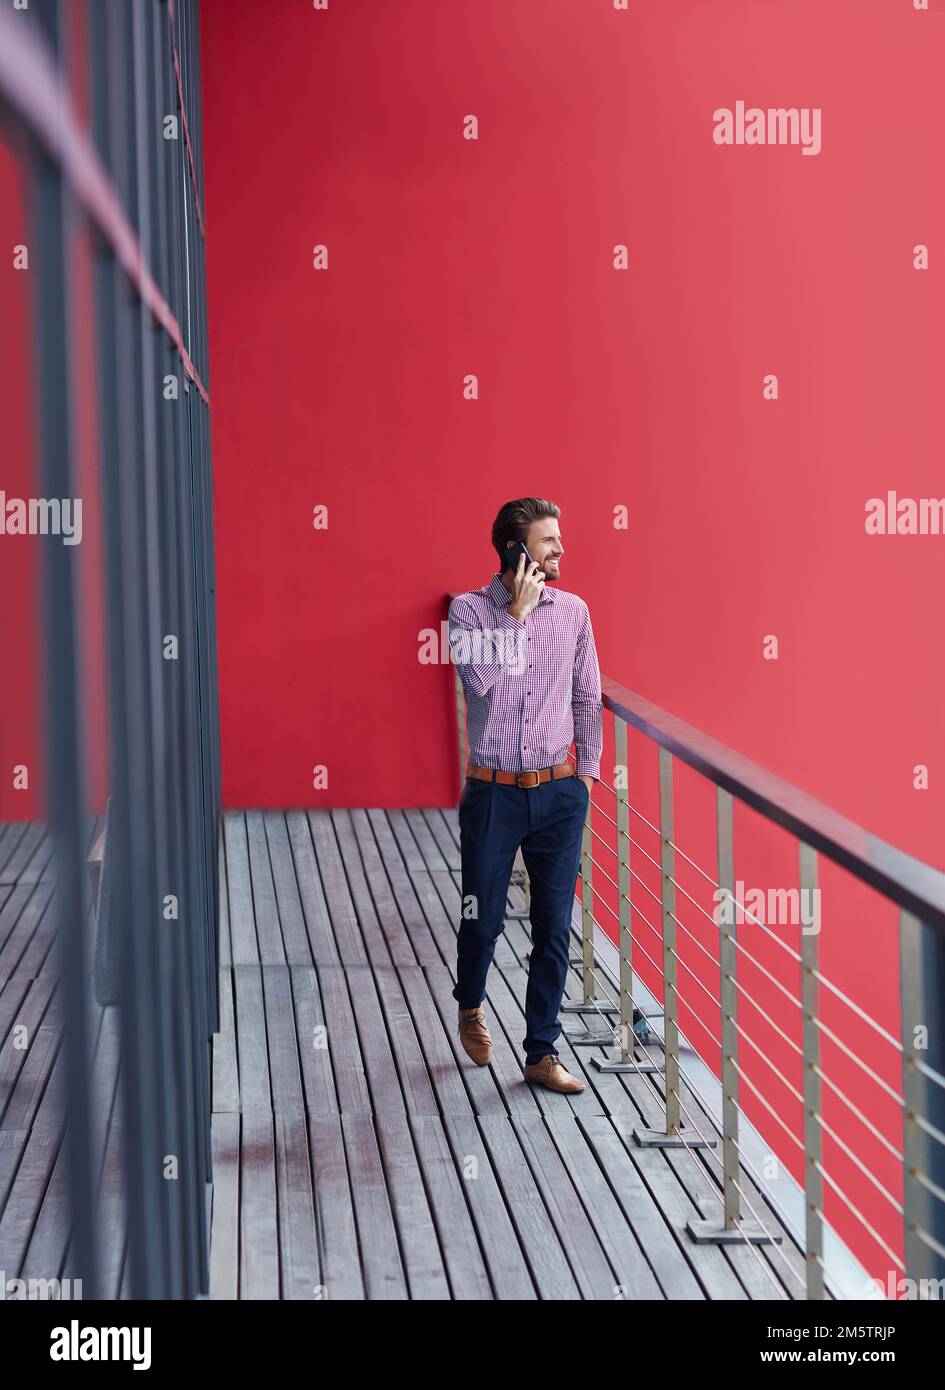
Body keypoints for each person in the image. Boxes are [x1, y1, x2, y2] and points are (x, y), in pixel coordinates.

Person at [448, 497, 603, 1093]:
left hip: (559, 792)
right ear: (515, 550)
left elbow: (588, 697)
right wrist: (516, 614)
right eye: (547, 542)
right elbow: (477, 683)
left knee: (554, 926)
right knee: (483, 919)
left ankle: (541, 1052)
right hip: (493, 795)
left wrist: (585, 775)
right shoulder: (468, 611)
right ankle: (470, 1004)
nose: (560, 551)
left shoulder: (575, 613)